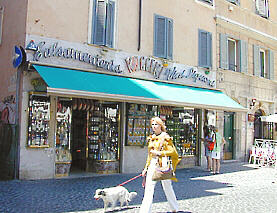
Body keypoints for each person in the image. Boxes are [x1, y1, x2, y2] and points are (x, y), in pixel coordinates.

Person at [140, 117, 179, 213]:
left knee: (167, 187)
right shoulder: (151, 137)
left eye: (156, 124)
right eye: (152, 124)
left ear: (160, 125)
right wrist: (146, 168)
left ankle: (174, 208)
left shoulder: (165, 137)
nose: (154, 126)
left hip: (163, 163)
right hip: (153, 163)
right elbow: (149, 154)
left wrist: (159, 153)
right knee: (149, 188)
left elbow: (173, 151)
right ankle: (145, 211)